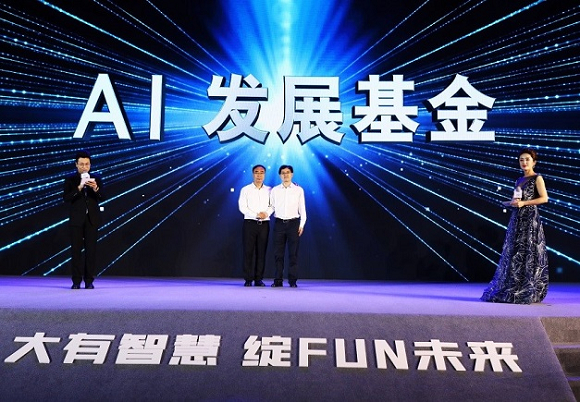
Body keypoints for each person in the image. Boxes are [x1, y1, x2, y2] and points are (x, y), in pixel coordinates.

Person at [481, 148, 549, 304]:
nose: (524, 162)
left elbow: (544, 198)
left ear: (534, 162)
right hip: (517, 218)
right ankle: (514, 286)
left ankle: (527, 288)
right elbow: (517, 199)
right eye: (521, 160)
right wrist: (511, 203)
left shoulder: (537, 178)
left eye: (527, 159)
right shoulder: (519, 180)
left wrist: (524, 203)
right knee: (515, 252)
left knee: (528, 251)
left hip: (530, 218)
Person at [63, 150, 104, 289]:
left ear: (90, 165)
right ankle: (76, 281)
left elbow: (103, 196)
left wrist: (95, 188)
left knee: (91, 251)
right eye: (81, 164)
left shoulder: (96, 178)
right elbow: (66, 198)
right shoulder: (70, 179)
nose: (84, 167)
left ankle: (89, 280)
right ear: (76, 164)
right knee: (76, 251)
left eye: (87, 164)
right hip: (76, 220)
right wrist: (79, 187)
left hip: (92, 219)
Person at [270, 165, 306, 288]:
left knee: (293, 254)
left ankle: (293, 280)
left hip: (293, 224)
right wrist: (264, 214)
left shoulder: (298, 190)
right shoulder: (275, 190)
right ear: (280, 175)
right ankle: (278, 280)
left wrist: (301, 224)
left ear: (292, 174)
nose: (285, 175)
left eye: (288, 172)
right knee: (278, 254)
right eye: (283, 173)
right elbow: (272, 207)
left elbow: (302, 209)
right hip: (279, 223)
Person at [238, 164, 273, 287]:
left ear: (264, 174)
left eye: (262, 172)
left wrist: (266, 214)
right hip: (250, 223)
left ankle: (259, 279)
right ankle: (248, 279)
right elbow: (242, 207)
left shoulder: (270, 190)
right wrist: (256, 215)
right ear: (253, 174)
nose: (259, 175)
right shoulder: (245, 189)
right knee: (248, 251)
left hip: (264, 225)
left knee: (261, 252)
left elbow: (272, 205)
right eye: (256, 172)